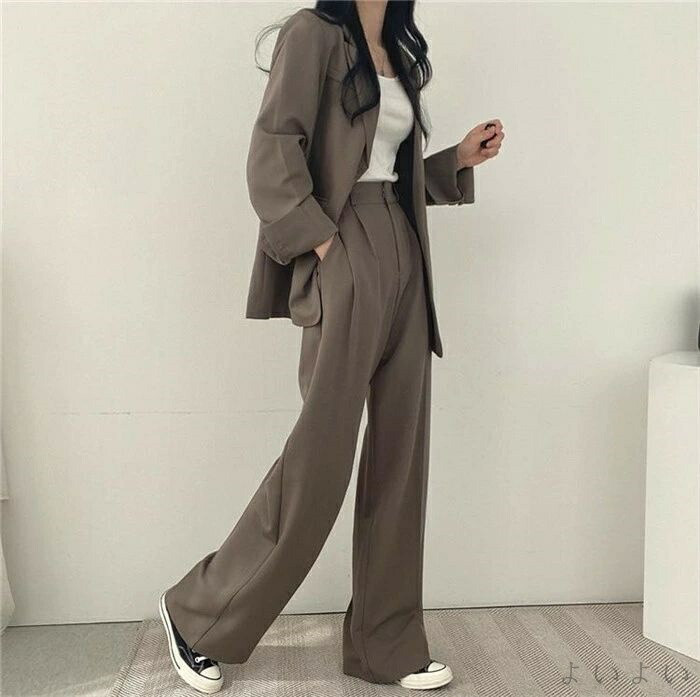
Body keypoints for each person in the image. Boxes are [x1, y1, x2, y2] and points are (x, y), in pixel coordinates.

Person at [159, 1, 504, 693]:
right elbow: (272, 150)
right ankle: (197, 613)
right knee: (321, 457)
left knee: (401, 456)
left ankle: (385, 644)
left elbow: (386, 171)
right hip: (343, 248)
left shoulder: (399, 50)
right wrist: (323, 244)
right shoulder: (312, 35)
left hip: (404, 247)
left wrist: (456, 162)